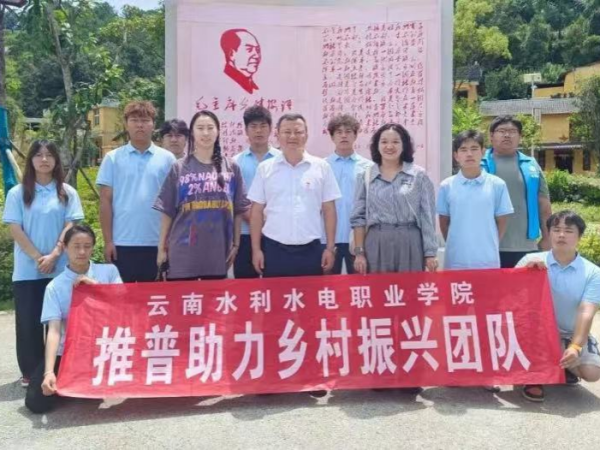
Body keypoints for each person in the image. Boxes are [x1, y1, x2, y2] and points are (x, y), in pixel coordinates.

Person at [2, 140, 84, 388]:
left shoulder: (67, 192)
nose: (44, 159)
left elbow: (71, 224)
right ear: (31, 160)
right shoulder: (18, 193)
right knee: (28, 322)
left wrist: (56, 254)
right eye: (39, 155)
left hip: (60, 269)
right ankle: (30, 372)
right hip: (28, 270)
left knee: (59, 321)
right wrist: (39, 258)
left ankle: (58, 369)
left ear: (57, 160)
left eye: (49, 155)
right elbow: (15, 228)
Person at [25, 224, 122, 414]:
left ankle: (81, 384)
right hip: (70, 351)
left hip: (104, 347)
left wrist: (95, 287)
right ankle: (73, 384)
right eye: (76, 246)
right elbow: (54, 331)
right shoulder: (55, 286)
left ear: (93, 247)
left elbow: (122, 306)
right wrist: (49, 372)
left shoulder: (109, 272)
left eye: (87, 246)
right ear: (65, 248)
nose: (82, 251)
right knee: (36, 402)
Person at [154, 110, 250, 281]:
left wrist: (236, 244)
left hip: (218, 253)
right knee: (184, 298)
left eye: (210, 128)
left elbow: (238, 210)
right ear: (192, 133)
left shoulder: (231, 167)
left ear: (218, 131)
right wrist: (161, 248)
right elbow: (167, 211)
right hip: (183, 252)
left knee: (213, 297)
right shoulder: (179, 167)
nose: (205, 133)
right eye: (200, 128)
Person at [517, 211, 600, 402]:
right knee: (536, 337)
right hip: (536, 332)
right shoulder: (530, 260)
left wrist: (576, 346)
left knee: (592, 373)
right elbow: (510, 298)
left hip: (570, 333)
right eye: (556, 230)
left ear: (579, 236)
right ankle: (533, 378)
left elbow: (586, 312)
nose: (561, 235)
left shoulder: (593, 272)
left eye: (568, 231)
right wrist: (524, 274)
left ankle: (563, 365)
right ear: (549, 233)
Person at [248, 113, 341, 278]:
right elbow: (256, 211)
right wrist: (256, 250)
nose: (292, 136)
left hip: (311, 250)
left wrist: (330, 248)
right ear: (277, 135)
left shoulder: (321, 167)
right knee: (276, 294)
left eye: (298, 132)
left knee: (311, 294)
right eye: (287, 132)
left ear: (306, 135)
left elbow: (329, 210)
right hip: (274, 249)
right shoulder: (265, 168)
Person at [96, 101, 176, 283]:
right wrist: (108, 241)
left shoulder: (167, 159)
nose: (140, 125)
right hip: (122, 243)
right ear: (126, 124)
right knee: (123, 297)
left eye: (145, 120)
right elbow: (105, 202)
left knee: (156, 297)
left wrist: (169, 241)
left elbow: (173, 203)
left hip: (158, 243)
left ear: (153, 125)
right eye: (134, 120)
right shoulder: (113, 158)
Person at [351, 123, 438, 275]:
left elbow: (427, 216)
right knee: (378, 287)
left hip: (410, 241)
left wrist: (430, 253)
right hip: (376, 241)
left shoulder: (419, 175)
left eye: (395, 142)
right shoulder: (365, 175)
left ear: (404, 145)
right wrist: (359, 253)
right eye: (384, 142)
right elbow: (359, 217)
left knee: (410, 287)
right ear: (377, 145)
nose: (389, 146)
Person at [481, 116, 552, 268]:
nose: (507, 135)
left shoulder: (531, 165)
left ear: (520, 136)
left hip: (526, 245)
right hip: (487, 244)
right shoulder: (480, 164)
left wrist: (547, 237)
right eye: (501, 131)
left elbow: (543, 203)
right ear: (491, 136)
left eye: (512, 131)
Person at [437, 130, 514, 270]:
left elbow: (502, 221)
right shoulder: (446, 186)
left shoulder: (497, 184)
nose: (469, 154)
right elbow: (444, 222)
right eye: (463, 150)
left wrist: (491, 243)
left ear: (483, 152)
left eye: (474, 149)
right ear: (456, 155)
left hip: (487, 260)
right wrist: (455, 243)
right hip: (456, 259)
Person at [232, 105, 280, 278]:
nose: (258, 131)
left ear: (271, 129)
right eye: (253, 126)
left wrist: (268, 219)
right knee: (246, 286)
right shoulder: (235, 162)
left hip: (276, 233)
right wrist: (255, 218)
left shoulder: (282, 160)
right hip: (245, 234)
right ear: (246, 130)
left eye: (263, 126)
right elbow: (235, 199)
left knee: (275, 285)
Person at [323, 114, 373, 274]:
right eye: (339, 132)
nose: (343, 136)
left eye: (348, 131)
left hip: (358, 239)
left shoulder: (368, 167)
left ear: (355, 135)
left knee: (360, 284)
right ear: (332, 137)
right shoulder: (322, 166)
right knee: (327, 285)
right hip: (327, 239)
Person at [220, 29, 261, 94]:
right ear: (231, 54)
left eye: (257, 50)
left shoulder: (253, 87)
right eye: (249, 49)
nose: (257, 56)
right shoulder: (225, 84)